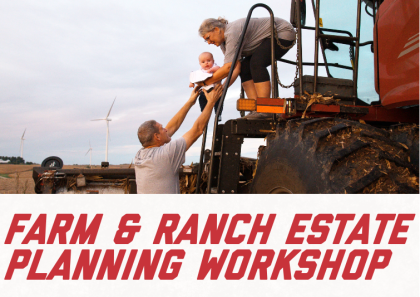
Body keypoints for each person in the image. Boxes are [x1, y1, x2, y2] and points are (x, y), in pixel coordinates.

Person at [197, 17, 296, 118]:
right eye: (206, 41)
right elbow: (235, 67)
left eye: (208, 38)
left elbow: (228, 67)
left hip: (281, 33)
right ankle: (256, 109)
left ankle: (264, 109)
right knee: (245, 67)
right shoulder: (224, 43)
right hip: (265, 39)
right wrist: (223, 88)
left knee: (256, 62)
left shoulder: (232, 33)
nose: (208, 42)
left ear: (216, 29)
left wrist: (206, 82)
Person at [134, 84, 223, 194]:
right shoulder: (166, 155)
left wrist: (190, 102)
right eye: (162, 129)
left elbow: (172, 127)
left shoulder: (140, 155)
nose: (166, 129)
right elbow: (198, 130)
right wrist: (211, 102)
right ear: (157, 137)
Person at [189, 52, 223, 121]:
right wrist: (191, 83)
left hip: (215, 89)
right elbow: (193, 75)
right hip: (205, 90)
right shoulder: (200, 71)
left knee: (218, 102)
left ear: (213, 61)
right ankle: (204, 113)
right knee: (201, 99)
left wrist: (211, 70)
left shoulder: (214, 67)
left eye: (208, 61)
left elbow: (219, 69)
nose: (206, 63)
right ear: (200, 64)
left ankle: (218, 114)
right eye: (203, 62)